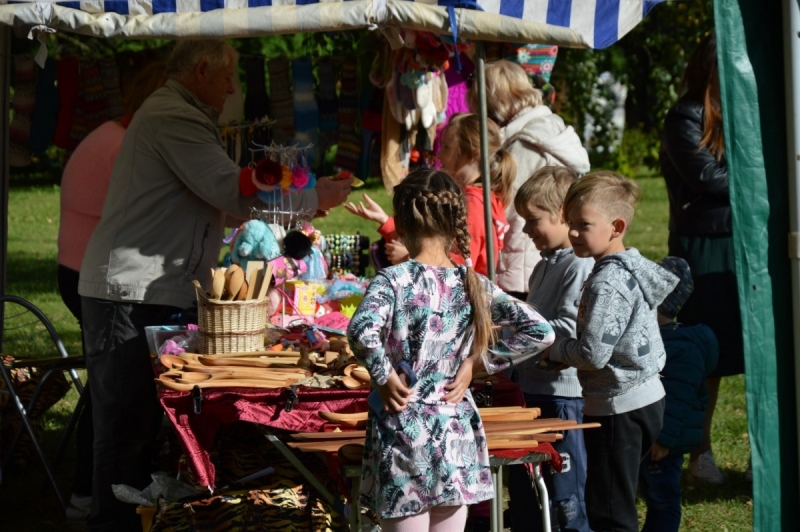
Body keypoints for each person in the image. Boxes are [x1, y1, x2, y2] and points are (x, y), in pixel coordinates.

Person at [78, 40, 352, 531]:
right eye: (227, 79)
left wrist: (301, 202)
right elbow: (230, 190)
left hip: (147, 289)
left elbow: (216, 203)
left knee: (139, 423)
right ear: (201, 70)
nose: (230, 91)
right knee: (125, 427)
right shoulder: (173, 116)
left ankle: (130, 515)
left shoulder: (178, 114)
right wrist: (313, 196)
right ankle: (110, 521)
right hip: (130, 293)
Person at [347, 168, 555, 532]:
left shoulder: (393, 280)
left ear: (404, 221)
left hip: (405, 432)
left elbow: (362, 331)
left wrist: (382, 375)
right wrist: (477, 364)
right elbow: (540, 331)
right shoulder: (471, 282)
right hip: (455, 431)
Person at [57, 60, 167, 520]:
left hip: (86, 273)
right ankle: (93, 496)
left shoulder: (114, 134)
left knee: (110, 391)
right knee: (115, 396)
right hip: (99, 281)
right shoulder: (122, 145)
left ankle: (96, 492)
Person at [545, 171, 678, 532]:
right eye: (569, 223)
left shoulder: (608, 282)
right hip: (643, 397)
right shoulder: (626, 266)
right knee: (618, 498)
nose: (572, 232)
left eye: (583, 224)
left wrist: (554, 350)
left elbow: (591, 354)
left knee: (609, 510)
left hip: (619, 406)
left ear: (616, 226)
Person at [659, 32, 743, 484]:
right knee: (705, 356)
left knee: (745, 353)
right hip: (703, 245)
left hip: (742, 243)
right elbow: (710, 179)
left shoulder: (741, 109)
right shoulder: (685, 115)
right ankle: (699, 453)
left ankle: (747, 456)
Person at [506, 166, 594, 532]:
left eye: (533, 220)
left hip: (562, 398)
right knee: (527, 491)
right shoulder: (543, 267)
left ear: (563, 214)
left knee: (564, 497)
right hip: (531, 392)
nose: (526, 230)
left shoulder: (577, 266)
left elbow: (567, 329)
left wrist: (514, 338)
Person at [469, 59, 590, 300]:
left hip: (525, 262)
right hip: (551, 252)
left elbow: (510, 210)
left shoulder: (525, 144)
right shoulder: (552, 129)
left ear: (494, 102)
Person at [345, 113, 514, 277]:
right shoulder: (481, 197)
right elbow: (431, 237)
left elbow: (454, 271)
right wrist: (385, 221)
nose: (439, 155)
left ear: (470, 155)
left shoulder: (472, 205)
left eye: (447, 148)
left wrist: (408, 258)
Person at [639, 256, 719, 532]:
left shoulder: (680, 348)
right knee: (650, 493)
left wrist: (663, 439)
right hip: (648, 437)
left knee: (662, 500)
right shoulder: (656, 339)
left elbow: (679, 400)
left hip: (663, 444)